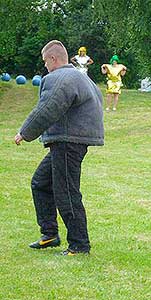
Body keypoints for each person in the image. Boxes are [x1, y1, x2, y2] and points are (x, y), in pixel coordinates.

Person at [14, 40, 104, 256]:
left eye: (46, 61)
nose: (45, 66)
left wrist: (24, 132)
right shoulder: (81, 77)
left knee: (66, 192)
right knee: (41, 182)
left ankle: (79, 245)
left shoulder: (60, 78)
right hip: (73, 140)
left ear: (53, 59)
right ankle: (50, 234)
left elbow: (47, 108)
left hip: (67, 142)